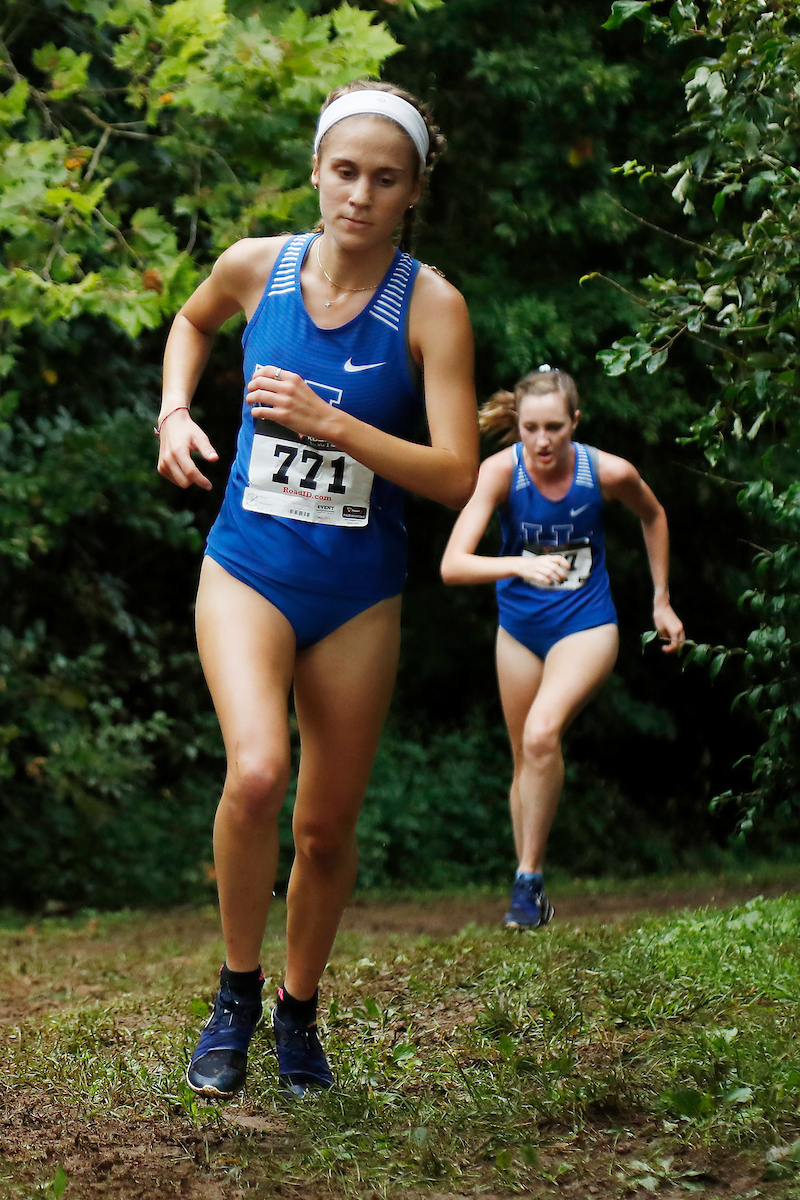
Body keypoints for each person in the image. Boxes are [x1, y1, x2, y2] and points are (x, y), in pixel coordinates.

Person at [156, 81, 478, 1098]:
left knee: (324, 828)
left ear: (411, 192)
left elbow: (457, 474)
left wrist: (335, 425)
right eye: (344, 172)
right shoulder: (259, 266)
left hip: (357, 595)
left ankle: (297, 1016)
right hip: (247, 568)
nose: (359, 195)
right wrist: (172, 413)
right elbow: (189, 321)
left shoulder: (430, 306)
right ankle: (234, 997)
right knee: (256, 773)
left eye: (385, 180)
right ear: (314, 173)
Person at [440, 367, 684, 930]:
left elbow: (654, 515)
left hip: (587, 625)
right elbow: (453, 564)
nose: (543, 440)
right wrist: (520, 564)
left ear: (575, 421)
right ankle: (532, 884)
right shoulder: (500, 473)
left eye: (555, 427)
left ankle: (527, 884)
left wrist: (661, 600)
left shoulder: (608, 472)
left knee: (543, 732)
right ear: (518, 426)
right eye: (531, 428)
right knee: (526, 757)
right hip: (519, 629)